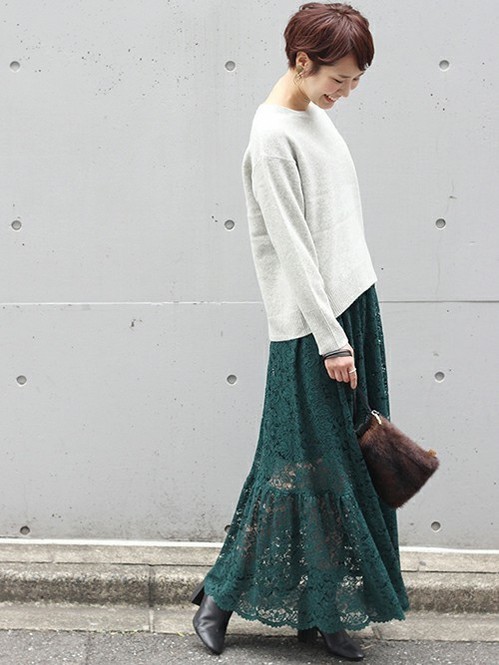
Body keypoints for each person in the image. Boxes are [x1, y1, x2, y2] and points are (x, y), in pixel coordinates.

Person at [190, 2, 409, 660]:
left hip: (352, 306)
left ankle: (320, 611)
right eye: (338, 79)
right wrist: (331, 338)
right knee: (298, 466)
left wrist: (353, 320)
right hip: (314, 328)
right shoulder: (271, 137)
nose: (345, 93)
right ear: (302, 61)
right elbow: (292, 250)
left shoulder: (315, 116)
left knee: (340, 465)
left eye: (355, 81)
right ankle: (221, 597)